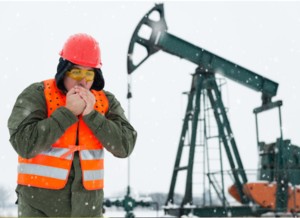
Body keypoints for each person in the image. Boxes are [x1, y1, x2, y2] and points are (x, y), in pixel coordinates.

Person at [7, 33, 137, 217]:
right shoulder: (38, 94)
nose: (82, 81)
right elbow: (23, 144)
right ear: (63, 69)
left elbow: (125, 146)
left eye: (89, 73)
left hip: (88, 211)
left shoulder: (106, 102)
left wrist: (93, 116)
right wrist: (67, 113)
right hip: (39, 210)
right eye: (76, 72)